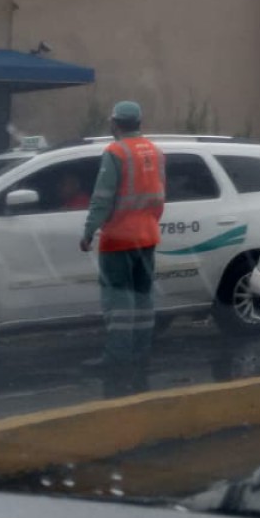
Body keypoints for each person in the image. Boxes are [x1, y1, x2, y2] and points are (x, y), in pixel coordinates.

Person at [79, 100, 165, 396]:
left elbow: (102, 198)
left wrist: (89, 231)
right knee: (143, 297)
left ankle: (117, 356)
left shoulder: (115, 152)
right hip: (147, 237)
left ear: (115, 123)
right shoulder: (154, 151)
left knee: (119, 300)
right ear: (139, 122)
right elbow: (159, 196)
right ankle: (141, 351)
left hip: (118, 238)